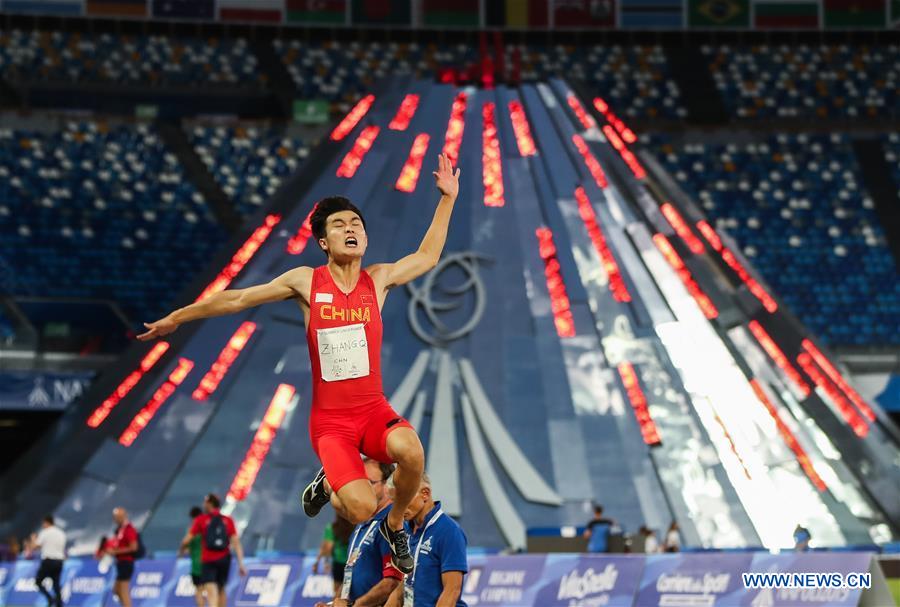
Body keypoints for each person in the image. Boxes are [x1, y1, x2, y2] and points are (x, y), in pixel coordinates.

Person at [139, 155, 462, 574]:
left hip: (372, 410)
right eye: (340, 226)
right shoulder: (306, 282)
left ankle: (396, 525)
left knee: (413, 454)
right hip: (332, 423)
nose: (351, 229)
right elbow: (236, 298)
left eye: (356, 224)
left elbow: (427, 256)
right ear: (324, 242)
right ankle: (329, 483)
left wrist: (447, 200)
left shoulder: (377, 279)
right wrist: (177, 317)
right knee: (362, 508)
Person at [318, 459, 401, 607]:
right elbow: (351, 575)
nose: (363, 489)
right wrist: (334, 603)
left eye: (370, 482)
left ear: (387, 486)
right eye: (360, 483)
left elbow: (392, 583)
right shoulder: (363, 522)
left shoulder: (392, 523)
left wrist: (356, 605)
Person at [387, 473, 467, 607]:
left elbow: (452, 591)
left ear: (425, 494)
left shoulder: (449, 531)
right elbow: (405, 581)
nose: (398, 508)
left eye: (403, 500)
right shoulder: (405, 530)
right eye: (395, 502)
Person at [180, 493, 247, 607]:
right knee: (221, 588)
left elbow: (186, 540)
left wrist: (181, 550)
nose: (203, 505)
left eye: (205, 502)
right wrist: (241, 563)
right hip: (224, 558)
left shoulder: (202, 520)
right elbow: (236, 542)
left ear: (209, 504)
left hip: (208, 559)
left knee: (210, 587)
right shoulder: (228, 520)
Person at [98, 508, 140, 607]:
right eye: (115, 517)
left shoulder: (129, 529)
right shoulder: (120, 530)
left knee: (123, 590)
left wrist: (115, 551)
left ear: (123, 516)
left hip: (126, 562)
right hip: (121, 563)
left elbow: (134, 547)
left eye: (118, 517)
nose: (116, 519)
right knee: (116, 590)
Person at [29, 515, 66, 607]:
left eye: (43, 523)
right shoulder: (61, 533)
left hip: (48, 560)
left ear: (47, 522)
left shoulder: (45, 532)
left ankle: (50, 599)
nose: (43, 525)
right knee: (56, 584)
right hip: (59, 561)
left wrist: (33, 538)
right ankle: (59, 603)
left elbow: (35, 547)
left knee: (38, 581)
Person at [313, 515, 354, 599]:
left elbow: (327, 547)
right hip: (352, 563)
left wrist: (323, 562)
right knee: (352, 593)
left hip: (338, 564)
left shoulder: (332, 527)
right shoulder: (356, 525)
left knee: (337, 593)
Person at [177, 506, 205, 607]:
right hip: (210, 563)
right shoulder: (208, 527)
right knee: (212, 590)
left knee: (199, 591)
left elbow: (185, 543)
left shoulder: (193, 530)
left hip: (197, 565)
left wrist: (180, 552)